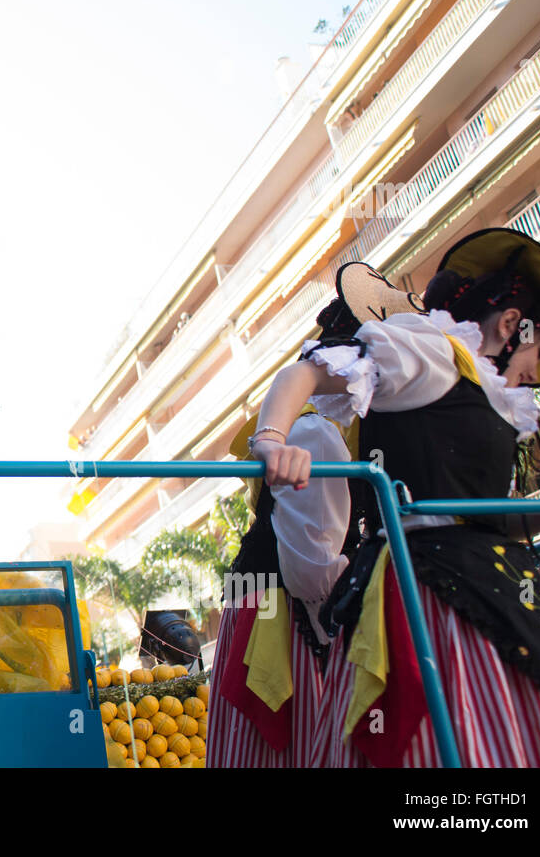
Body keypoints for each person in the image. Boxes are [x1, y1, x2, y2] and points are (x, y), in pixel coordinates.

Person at [252, 228, 540, 767]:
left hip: (493, 583)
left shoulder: (487, 394)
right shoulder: (428, 352)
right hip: (426, 592)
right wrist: (272, 441)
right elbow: (305, 372)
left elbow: (488, 523)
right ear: (510, 326)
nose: (537, 371)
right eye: (538, 351)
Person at [208, 270, 421, 767]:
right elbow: (312, 571)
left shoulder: (317, 428)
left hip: (267, 606)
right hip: (284, 619)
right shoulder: (319, 434)